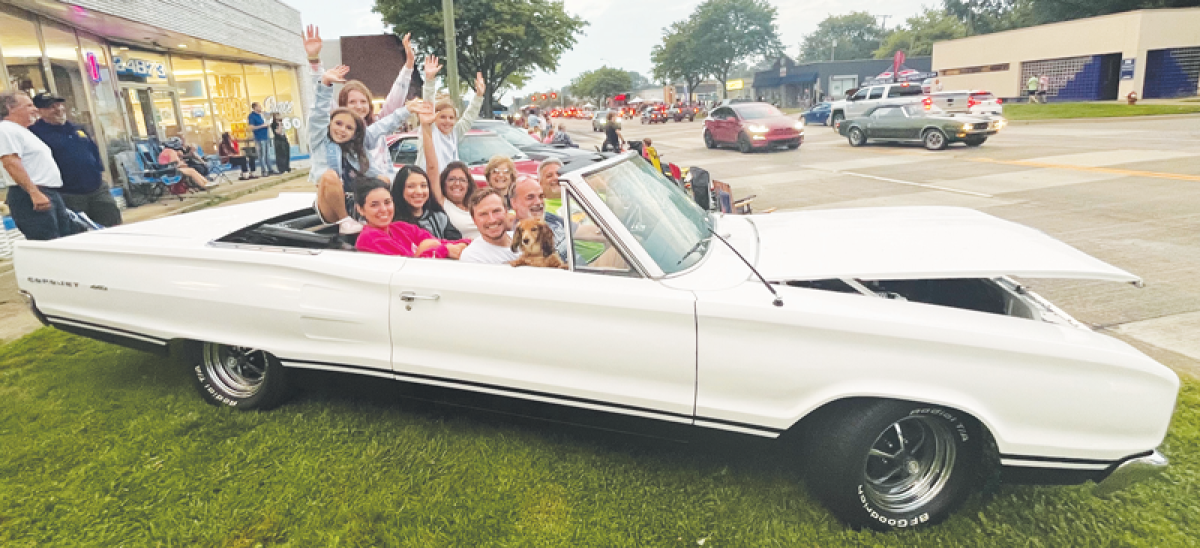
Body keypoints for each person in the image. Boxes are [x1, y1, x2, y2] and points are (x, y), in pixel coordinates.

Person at [308, 61, 425, 234]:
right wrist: (325, 83)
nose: (342, 130)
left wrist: (407, 110)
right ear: (330, 123)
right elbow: (318, 113)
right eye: (338, 124)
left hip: (355, 201)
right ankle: (345, 220)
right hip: (332, 205)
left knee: (383, 179)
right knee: (329, 176)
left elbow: (383, 125)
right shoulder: (320, 139)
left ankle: (384, 219)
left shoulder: (359, 142)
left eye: (349, 128)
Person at [304, 25, 415, 181]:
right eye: (352, 102)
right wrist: (315, 63)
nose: (358, 106)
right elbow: (320, 106)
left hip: (379, 189)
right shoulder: (334, 132)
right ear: (342, 107)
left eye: (363, 101)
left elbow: (395, 101)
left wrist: (409, 66)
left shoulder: (375, 126)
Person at [27, 92, 122, 227]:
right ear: (39, 111)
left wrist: (100, 171)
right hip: (68, 193)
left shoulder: (77, 128)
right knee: (80, 231)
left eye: (59, 104)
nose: (58, 109)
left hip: (97, 188)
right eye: (51, 107)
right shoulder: (35, 133)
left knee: (112, 225)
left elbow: (93, 150)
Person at [0, 90, 79, 240]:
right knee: (47, 241)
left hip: (48, 191)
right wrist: (34, 192)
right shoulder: (6, 129)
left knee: (65, 239)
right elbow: (11, 162)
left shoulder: (23, 131)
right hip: (30, 193)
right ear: (10, 108)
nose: (35, 109)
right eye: (29, 105)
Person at [415, 54, 485, 207]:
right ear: (435, 118)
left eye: (451, 118)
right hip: (427, 187)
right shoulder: (430, 130)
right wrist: (430, 80)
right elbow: (428, 103)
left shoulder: (454, 133)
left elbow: (469, 117)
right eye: (443, 117)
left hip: (447, 188)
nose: (447, 121)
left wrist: (479, 96)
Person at [353, 176, 468, 258]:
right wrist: (442, 250)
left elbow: (438, 242)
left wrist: (466, 243)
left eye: (387, 202)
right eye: (374, 205)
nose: (383, 209)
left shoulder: (401, 227)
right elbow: (409, 267)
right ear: (361, 209)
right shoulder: (368, 239)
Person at [389, 164, 463, 240]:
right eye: (411, 186)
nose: (419, 191)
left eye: (423, 186)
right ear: (400, 190)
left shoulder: (439, 217)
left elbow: (457, 242)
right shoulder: (392, 223)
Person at [509, 175, 569, 262]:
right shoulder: (516, 235)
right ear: (514, 203)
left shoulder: (549, 217)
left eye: (541, 196)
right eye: (530, 197)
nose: (538, 202)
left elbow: (587, 231)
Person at [459, 187, 518, 264]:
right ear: (474, 220)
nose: (492, 220)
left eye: (496, 211)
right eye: (483, 214)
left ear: (506, 212)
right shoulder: (472, 257)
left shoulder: (524, 239)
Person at [438, 161, 479, 240]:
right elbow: (432, 168)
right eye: (452, 179)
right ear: (444, 183)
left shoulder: (477, 204)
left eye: (462, 180)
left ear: (468, 185)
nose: (457, 183)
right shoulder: (443, 202)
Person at [247, 101, 277, 177]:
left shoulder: (261, 115)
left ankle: (270, 169)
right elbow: (251, 127)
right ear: (255, 107)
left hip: (266, 137)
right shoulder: (252, 116)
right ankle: (264, 171)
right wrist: (262, 126)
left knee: (267, 155)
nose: (261, 108)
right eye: (259, 106)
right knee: (262, 155)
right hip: (259, 138)